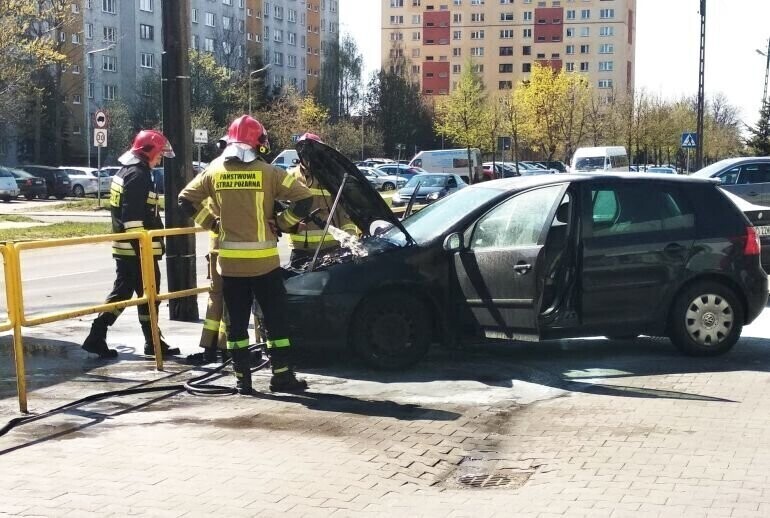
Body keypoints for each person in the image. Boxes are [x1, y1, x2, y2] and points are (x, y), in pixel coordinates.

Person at [178, 115, 313, 394]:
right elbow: (304, 199)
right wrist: (284, 223)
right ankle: (282, 377)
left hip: (230, 267)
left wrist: (212, 223)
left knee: (235, 325)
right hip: (265, 266)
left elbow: (185, 199)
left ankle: (243, 381)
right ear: (257, 143)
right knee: (276, 322)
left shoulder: (214, 170)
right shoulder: (268, 172)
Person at [82, 129, 180, 359]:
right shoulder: (138, 175)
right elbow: (132, 218)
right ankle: (103, 335)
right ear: (150, 152)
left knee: (132, 295)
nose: (160, 159)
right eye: (159, 154)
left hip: (129, 248)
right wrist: (143, 250)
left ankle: (150, 341)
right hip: (137, 250)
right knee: (142, 296)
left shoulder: (128, 171)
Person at [286, 132, 358, 265]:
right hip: (300, 249)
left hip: (331, 248)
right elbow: (281, 208)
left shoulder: (333, 178)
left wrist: (350, 238)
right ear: (300, 155)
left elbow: (344, 211)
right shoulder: (290, 177)